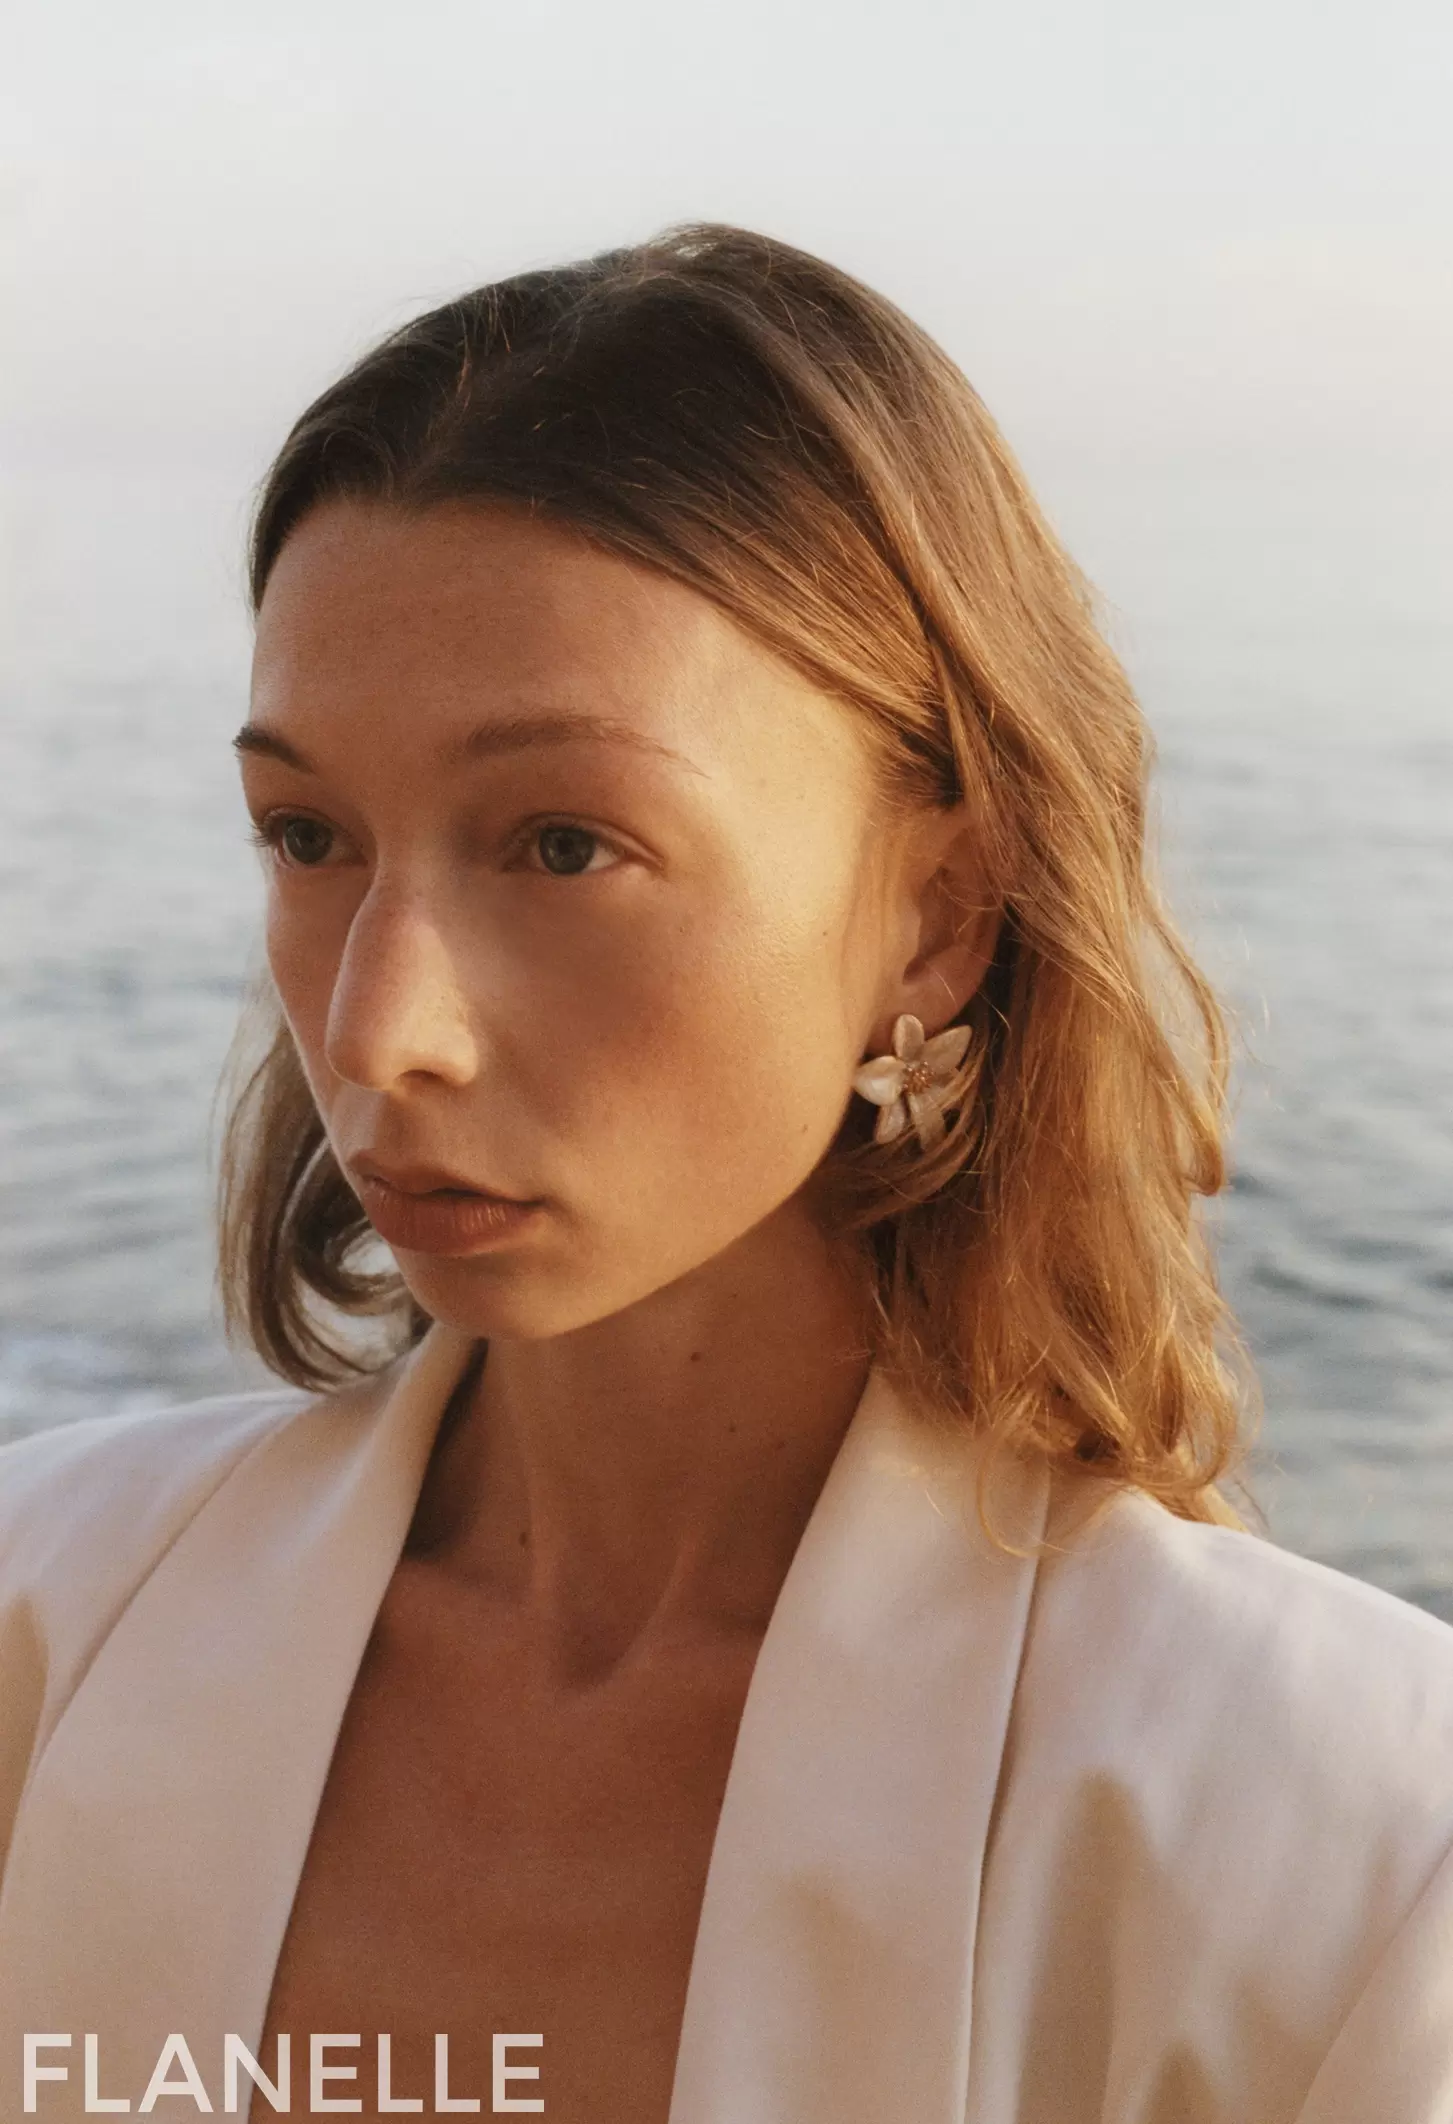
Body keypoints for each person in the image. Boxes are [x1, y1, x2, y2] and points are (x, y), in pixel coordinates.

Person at [2, 224, 1451, 2124]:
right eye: (308, 834)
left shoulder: (1352, 1855)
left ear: (938, 913)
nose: (376, 1029)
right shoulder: (46, 1624)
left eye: (564, 845)